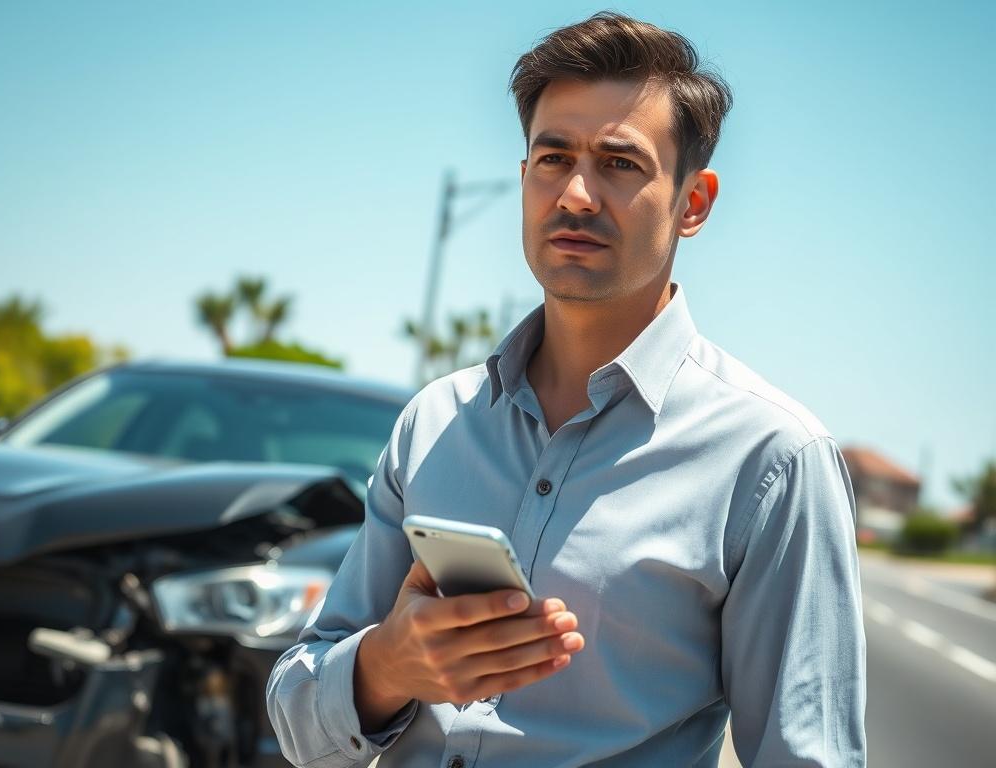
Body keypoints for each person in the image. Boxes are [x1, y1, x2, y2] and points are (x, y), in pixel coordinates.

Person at [266, 11, 867, 767]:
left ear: (694, 202)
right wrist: (385, 667)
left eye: (620, 163)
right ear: (524, 180)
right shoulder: (433, 422)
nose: (577, 194)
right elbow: (297, 720)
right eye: (553, 158)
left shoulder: (773, 460)